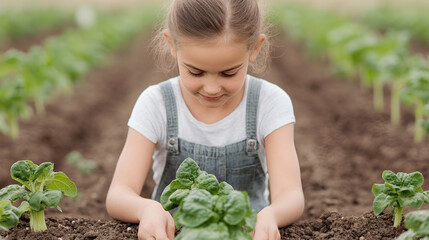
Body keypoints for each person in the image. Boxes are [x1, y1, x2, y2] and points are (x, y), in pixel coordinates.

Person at [105, 0, 305, 239]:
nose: (211, 88)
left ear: (254, 48)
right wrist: (146, 209)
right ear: (172, 45)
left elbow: (291, 194)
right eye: (195, 72)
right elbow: (119, 193)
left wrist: (271, 215)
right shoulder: (156, 103)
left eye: (229, 72)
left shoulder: (269, 102)